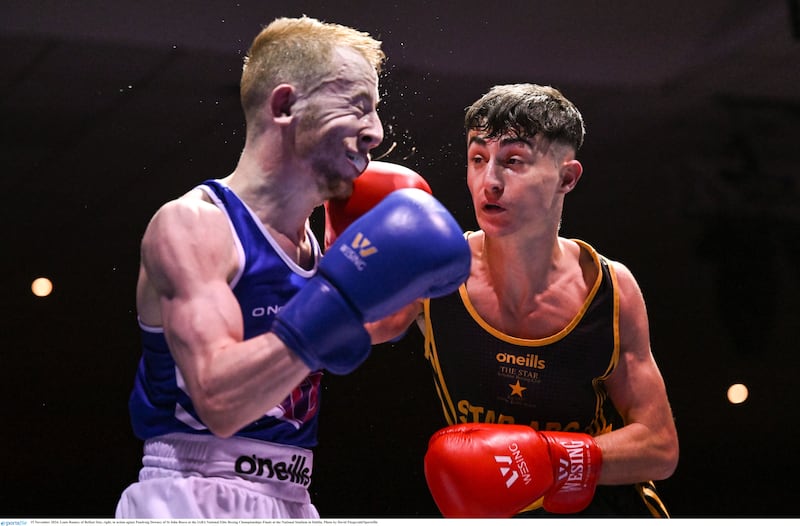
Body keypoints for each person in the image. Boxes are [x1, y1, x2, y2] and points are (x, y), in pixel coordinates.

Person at [115, 16, 471, 519]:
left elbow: (367, 325)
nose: (376, 131)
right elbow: (217, 400)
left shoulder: (325, 245)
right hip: (193, 491)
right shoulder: (195, 226)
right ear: (285, 106)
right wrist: (339, 298)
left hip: (293, 497)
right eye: (357, 106)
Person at [364, 83, 679, 517]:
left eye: (513, 161)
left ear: (567, 178)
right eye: (478, 159)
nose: (489, 181)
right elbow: (332, 339)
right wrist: (334, 230)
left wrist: (549, 459)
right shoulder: (435, 272)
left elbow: (659, 446)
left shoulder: (608, 287)